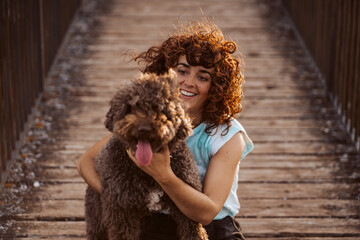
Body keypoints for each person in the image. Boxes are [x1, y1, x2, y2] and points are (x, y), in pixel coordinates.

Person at [77, 21, 254, 240]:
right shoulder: (146, 123)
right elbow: (85, 162)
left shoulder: (226, 135)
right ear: (167, 73)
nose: (189, 82)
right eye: (182, 71)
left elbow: (207, 213)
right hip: (157, 222)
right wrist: (117, 197)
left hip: (214, 228)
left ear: (217, 86)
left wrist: (163, 175)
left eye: (203, 77)